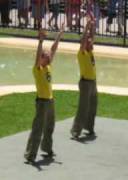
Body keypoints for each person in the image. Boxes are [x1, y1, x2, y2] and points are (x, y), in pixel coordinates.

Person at [24, 24, 65, 163]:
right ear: (41, 58)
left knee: (49, 127)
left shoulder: (48, 66)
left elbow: (53, 49)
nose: (47, 55)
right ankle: (30, 155)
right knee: (38, 128)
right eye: (44, 54)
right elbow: (37, 58)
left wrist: (59, 35)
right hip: (41, 102)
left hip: (50, 100)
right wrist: (40, 42)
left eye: (46, 54)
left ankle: (47, 149)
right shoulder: (37, 69)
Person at [70, 13, 98, 140]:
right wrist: (87, 26)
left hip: (93, 82)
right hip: (86, 83)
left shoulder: (90, 51)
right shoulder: (82, 53)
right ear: (85, 44)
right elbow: (83, 40)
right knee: (83, 107)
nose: (92, 41)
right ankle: (76, 131)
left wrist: (93, 24)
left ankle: (89, 127)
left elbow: (92, 36)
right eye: (89, 41)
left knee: (93, 106)